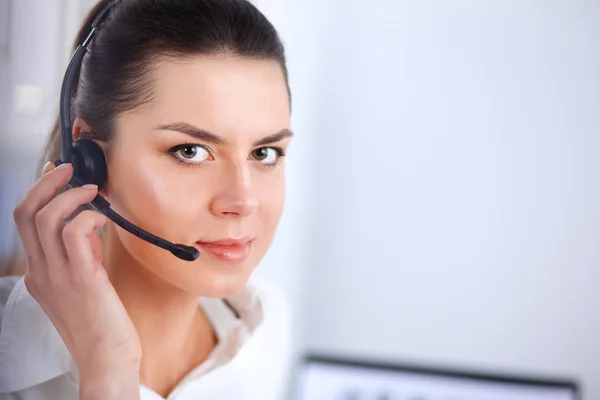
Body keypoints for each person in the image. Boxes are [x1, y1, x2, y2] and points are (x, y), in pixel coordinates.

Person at [0, 0, 293, 399]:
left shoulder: (261, 329)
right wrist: (108, 367)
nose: (243, 202)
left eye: (265, 153)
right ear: (88, 161)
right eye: (190, 151)